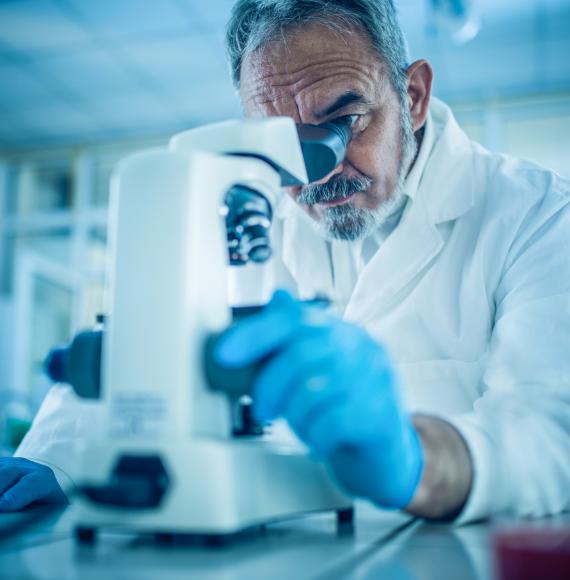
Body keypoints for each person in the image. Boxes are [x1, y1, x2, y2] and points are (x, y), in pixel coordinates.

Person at [1, 0, 569, 522]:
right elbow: (147, 344)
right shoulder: (251, 213)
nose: (316, 172)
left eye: (345, 122)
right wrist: (51, 456)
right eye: (283, 140)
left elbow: (549, 438)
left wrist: (414, 458)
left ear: (413, 97)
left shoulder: (537, 215)